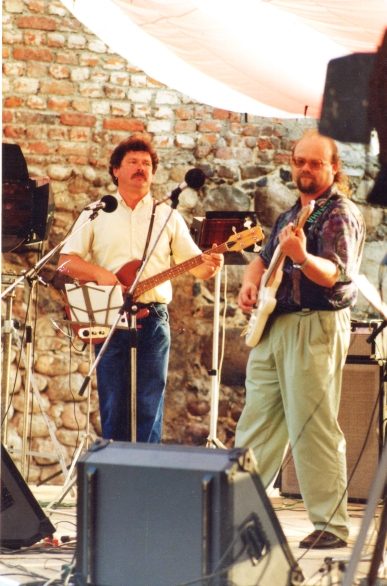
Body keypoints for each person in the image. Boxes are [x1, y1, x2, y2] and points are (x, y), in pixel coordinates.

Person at [235, 130, 365, 549]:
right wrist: (249, 284)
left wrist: (302, 257)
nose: (305, 169)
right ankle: (236, 517)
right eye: (299, 161)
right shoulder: (292, 212)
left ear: (334, 168)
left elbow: (336, 274)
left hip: (314, 324)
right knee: (256, 423)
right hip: (276, 323)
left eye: (315, 162)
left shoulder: (339, 213)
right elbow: (261, 260)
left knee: (313, 426)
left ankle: (331, 525)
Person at [58, 134, 223, 443]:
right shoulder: (97, 212)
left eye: (146, 164)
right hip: (111, 316)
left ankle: (146, 469)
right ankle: (114, 469)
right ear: (115, 170)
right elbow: (65, 262)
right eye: (132, 162)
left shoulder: (168, 216)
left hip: (154, 318)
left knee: (149, 407)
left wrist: (212, 263)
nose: (140, 168)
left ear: (153, 173)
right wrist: (101, 274)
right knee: (113, 405)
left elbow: (197, 267)